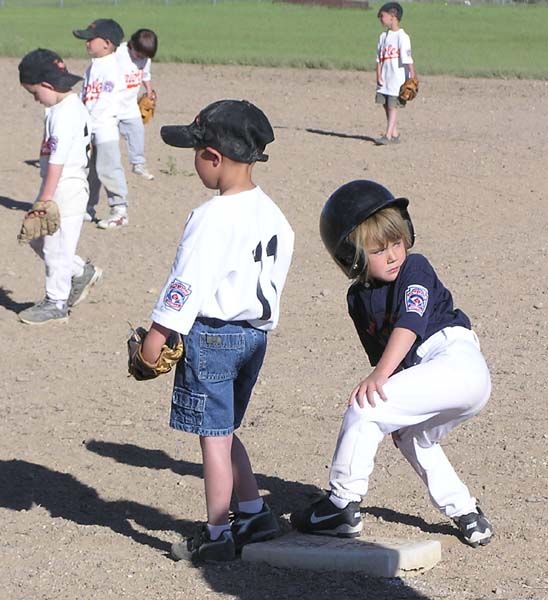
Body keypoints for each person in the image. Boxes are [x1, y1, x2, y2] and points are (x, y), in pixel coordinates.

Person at [290, 180, 494, 548]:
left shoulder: (415, 268)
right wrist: (385, 379)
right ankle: (467, 513)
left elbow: (410, 325)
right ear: (351, 256)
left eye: (397, 242)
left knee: (364, 408)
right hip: (434, 375)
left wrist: (379, 377)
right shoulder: (357, 299)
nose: (393, 254)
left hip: (455, 362)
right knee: (411, 437)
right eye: (379, 250)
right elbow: (385, 356)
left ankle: (341, 505)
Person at [138, 100, 294, 562]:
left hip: (213, 335)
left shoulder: (213, 216)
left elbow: (185, 284)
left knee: (212, 439)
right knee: (222, 428)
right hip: (254, 336)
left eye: (195, 151)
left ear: (214, 157)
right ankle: (252, 511)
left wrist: (156, 335)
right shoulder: (273, 213)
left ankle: (217, 534)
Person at [17, 49, 102, 325]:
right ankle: (80, 272)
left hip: (66, 185)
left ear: (47, 86)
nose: (34, 99)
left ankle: (56, 303)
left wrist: (44, 200)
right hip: (62, 183)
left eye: (34, 92)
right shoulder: (63, 107)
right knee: (40, 239)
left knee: (54, 245)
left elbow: (58, 161)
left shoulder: (65, 114)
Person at [73, 19, 129, 229]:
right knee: (89, 170)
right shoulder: (92, 67)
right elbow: (84, 95)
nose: (86, 42)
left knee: (108, 169)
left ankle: (120, 209)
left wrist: (89, 123)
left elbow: (105, 100)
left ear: (106, 43)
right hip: (89, 127)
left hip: (104, 127)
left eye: (90, 39)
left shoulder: (113, 67)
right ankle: (87, 207)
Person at [116, 28, 158, 181]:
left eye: (145, 56)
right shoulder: (118, 53)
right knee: (106, 142)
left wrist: (149, 90)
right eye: (139, 54)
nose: (141, 58)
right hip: (111, 107)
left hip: (129, 106)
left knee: (137, 131)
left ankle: (138, 164)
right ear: (132, 45)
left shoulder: (145, 58)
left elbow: (145, 75)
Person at [374, 2, 416, 145]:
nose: (380, 18)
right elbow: (379, 59)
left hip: (397, 79)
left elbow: (408, 59)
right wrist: (378, 75)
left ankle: (388, 136)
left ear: (393, 16)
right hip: (385, 78)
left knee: (393, 105)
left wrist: (413, 77)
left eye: (382, 16)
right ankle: (395, 133)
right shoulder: (383, 37)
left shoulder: (402, 37)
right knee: (385, 104)